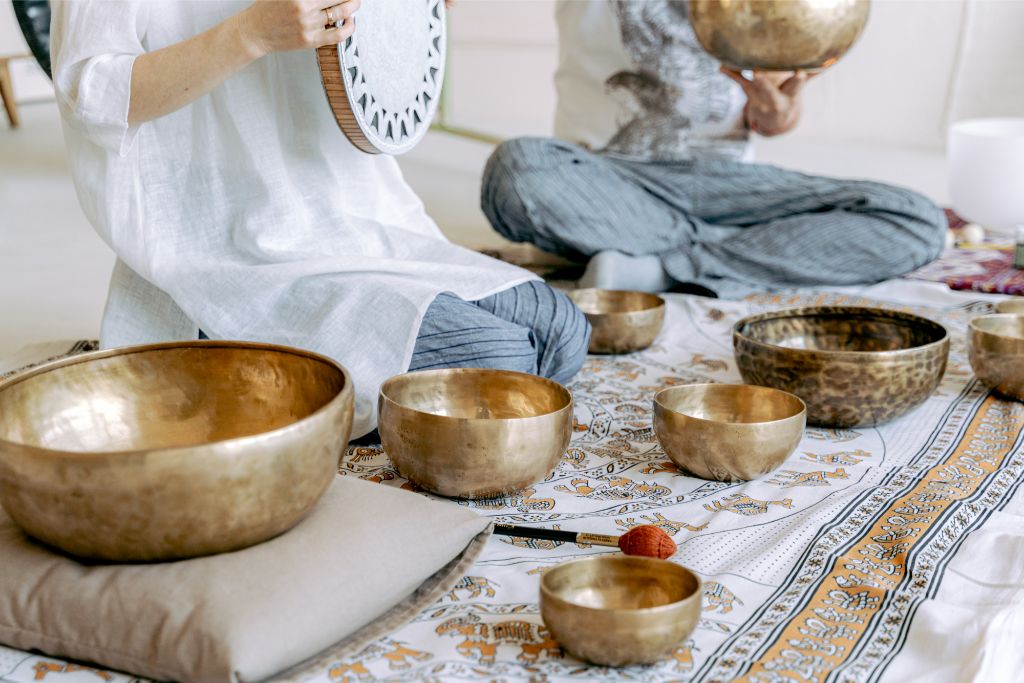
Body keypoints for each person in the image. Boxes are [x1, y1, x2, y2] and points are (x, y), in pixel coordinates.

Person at [50, 0, 590, 438]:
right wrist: (252, 33)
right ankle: (216, 334)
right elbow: (89, 90)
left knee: (563, 332)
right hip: (225, 240)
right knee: (503, 359)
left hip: (349, 212)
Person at [481, 1, 947, 298]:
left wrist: (776, 111)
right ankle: (760, 250)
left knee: (918, 221)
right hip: (612, 182)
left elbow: (773, 118)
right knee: (516, 168)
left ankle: (664, 267)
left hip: (732, 189)